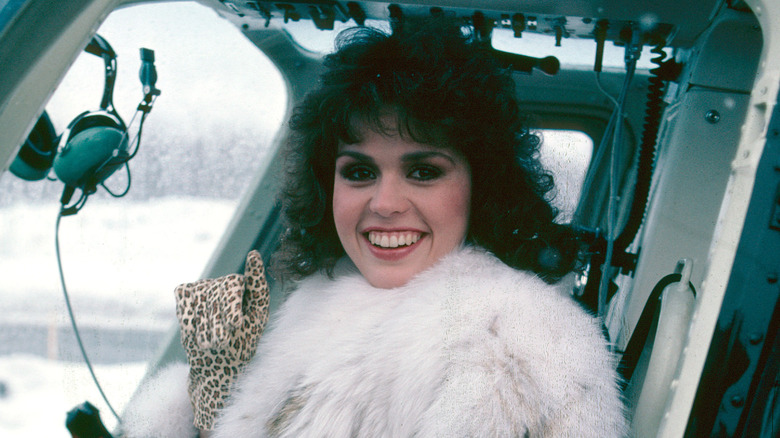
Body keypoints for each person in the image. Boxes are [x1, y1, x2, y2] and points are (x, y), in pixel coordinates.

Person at [124, 18, 627, 438]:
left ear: (482, 187)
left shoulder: (518, 345)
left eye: (423, 171)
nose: (384, 204)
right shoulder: (321, 302)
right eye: (359, 172)